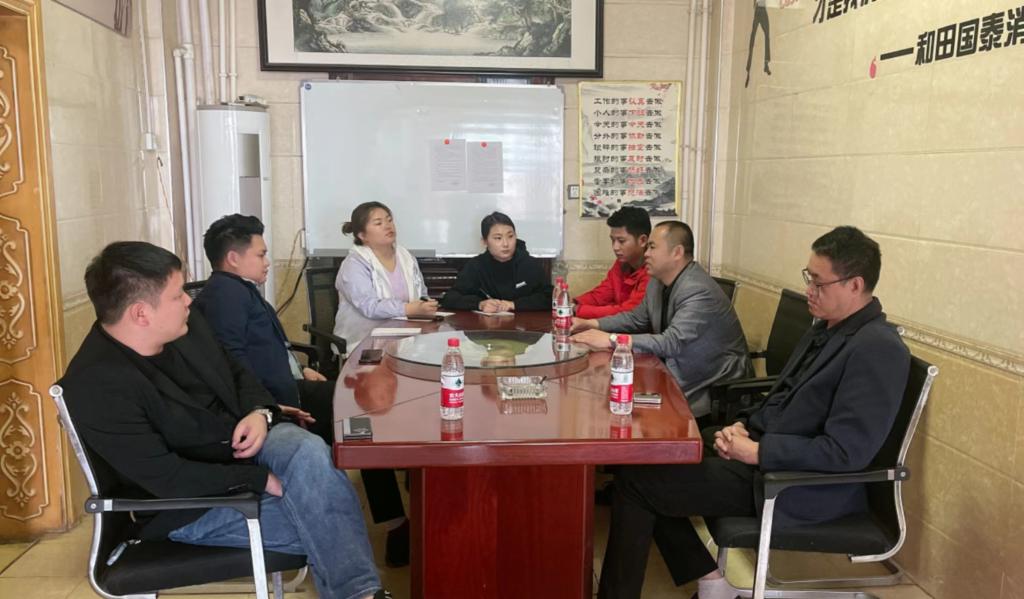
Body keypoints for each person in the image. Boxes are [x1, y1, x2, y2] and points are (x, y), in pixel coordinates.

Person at [596, 226, 911, 599]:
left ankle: (681, 587)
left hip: (794, 483)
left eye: (819, 283)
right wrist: (740, 426)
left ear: (855, 285)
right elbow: (782, 397)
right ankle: (712, 583)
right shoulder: (827, 329)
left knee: (637, 484)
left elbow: (846, 452)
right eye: (808, 278)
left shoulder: (878, 348)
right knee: (648, 458)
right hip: (766, 456)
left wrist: (759, 452)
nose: (809, 290)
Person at [58, 241, 386, 599]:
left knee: (310, 453)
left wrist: (260, 412)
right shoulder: (98, 386)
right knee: (329, 515)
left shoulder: (185, 326)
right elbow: (169, 478)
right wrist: (258, 479)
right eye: (177, 295)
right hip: (191, 504)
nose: (188, 300)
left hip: (244, 440)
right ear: (141, 314)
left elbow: (238, 371)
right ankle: (361, 594)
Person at [194, 214, 411, 567]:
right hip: (276, 403)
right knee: (364, 413)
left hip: (289, 388)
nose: (267, 262)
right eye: (261, 254)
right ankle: (396, 525)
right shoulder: (225, 297)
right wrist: (268, 407)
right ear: (233, 258)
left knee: (364, 408)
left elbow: (266, 349)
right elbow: (232, 362)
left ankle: (396, 518)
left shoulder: (237, 290)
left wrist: (300, 368)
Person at [572, 221, 752, 421]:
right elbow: (637, 319)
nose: (646, 253)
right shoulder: (657, 281)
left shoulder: (698, 290)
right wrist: (590, 324)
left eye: (652, 247)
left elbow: (671, 342)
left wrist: (611, 339)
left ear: (677, 252)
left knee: (632, 416)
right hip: (672, 373)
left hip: (711, 389)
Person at [335, 201, 437, 350]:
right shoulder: (354, 264)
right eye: (378, 223)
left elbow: (421, 293)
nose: (388, 226)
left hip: (407, 336)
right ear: (362, 235)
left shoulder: (406, 257)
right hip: (365, 342)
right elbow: (369, 306)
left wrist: (425, 305)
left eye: (389, 220)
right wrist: (408, 309)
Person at [440, 212, 553, 312]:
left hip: (524, 325)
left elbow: (550, 297)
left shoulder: (529, 264)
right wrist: (480, 304)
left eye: (510, 236)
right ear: (484, 241)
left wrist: (514, 305)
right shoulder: (476, 266)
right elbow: (450, 298)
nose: (506, 244)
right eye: (498, 238)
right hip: (486, 326)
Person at [574, 206, 651, 319]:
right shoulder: (621, 263)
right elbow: (602, 294)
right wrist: (572, 303)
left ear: (643, 240)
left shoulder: (653, 269)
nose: (615, 247)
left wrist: (577, 310)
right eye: (612, 240)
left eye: (621, 241)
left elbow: (629, 312)